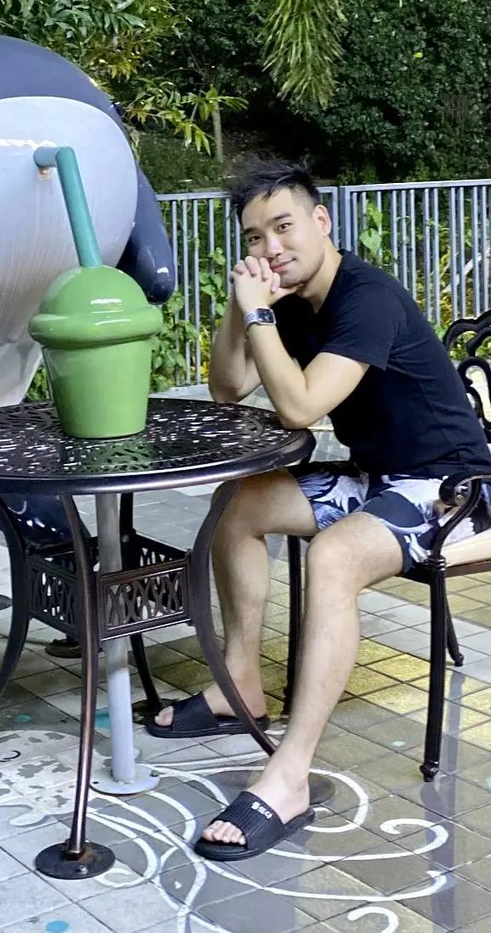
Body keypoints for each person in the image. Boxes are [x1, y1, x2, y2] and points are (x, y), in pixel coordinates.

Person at [145, 158, 491, 862]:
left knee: (333, 558)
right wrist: (241, 304)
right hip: (378, 477)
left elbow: (300, 406)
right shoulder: (289, 300)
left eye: (283, 227)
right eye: (254, 238)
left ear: (321, 221)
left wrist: (260, 313)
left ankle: (290, 776)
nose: (271, 248)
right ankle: (240, 685)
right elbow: (227, 388)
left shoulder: (367, 298)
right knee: (239, 501)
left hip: (456, 489)